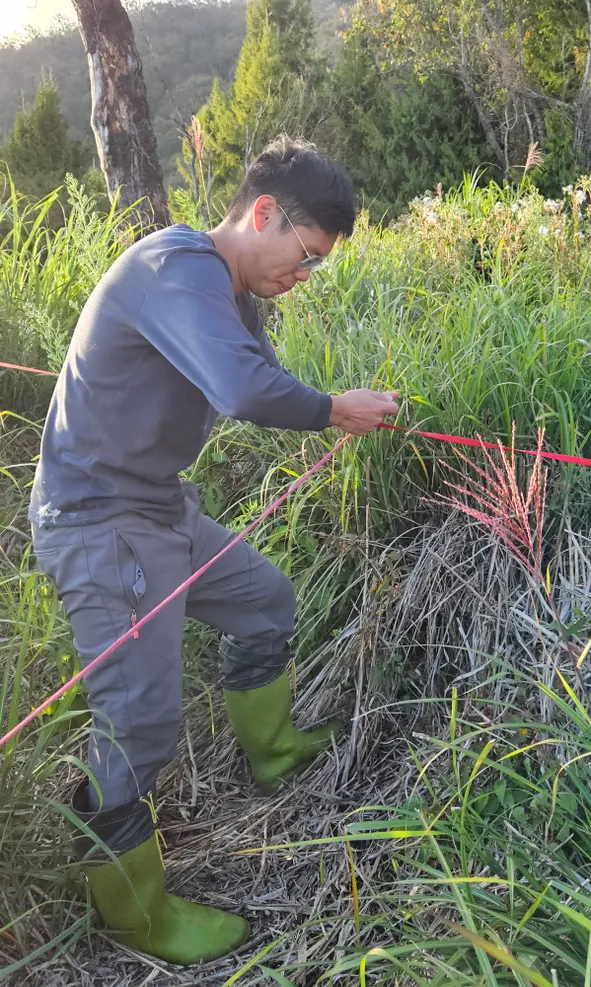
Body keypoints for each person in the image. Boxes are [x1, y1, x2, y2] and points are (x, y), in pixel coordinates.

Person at [29, 136, 399, 965]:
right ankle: (138, 918)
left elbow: (256, 375)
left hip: (161, 508)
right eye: (304, 256)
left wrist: (327, 408)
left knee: (266, 602)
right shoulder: (177, 266)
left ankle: (272, 753)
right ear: (264, 213)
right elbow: (240, 391)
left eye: (317, 267)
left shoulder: (235, 299)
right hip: (99, 519)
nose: (303, 276)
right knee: (140, 721)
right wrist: (335, 408)